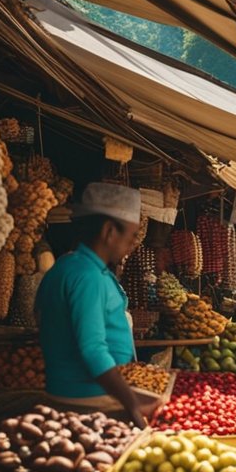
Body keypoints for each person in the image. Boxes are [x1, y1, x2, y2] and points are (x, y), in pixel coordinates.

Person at [36, 183, 158, 429]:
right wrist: (131, 404)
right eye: (131, 235)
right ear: (109, 231)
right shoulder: (87, 276)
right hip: (87, 400)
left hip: (75, 391)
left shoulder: (67, 267)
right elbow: (93, 350)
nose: (134, 243)